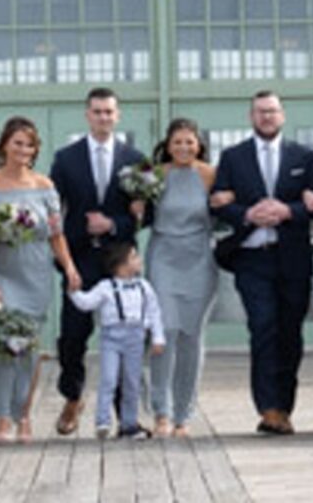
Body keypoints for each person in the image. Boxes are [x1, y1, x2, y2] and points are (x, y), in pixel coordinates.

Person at [211, 89, 313, 435]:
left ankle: (285, 406)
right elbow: (217, 204)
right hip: (251, 258)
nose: (267, 117)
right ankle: (268, 408)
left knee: (289, 333)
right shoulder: (233, 157)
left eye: (272, 111)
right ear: (251, 116)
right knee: (262, 327)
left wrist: (288, 211)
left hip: (292, 259)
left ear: (283, 115)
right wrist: (248, 214)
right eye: (260, 112)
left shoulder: (303, 157)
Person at [0, 116, 82, 442]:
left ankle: (23, 415)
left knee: (29, 349)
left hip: (35, 272)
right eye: (17, 142)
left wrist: (70, 268)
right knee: (5, 345)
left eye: (29, 144)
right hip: (3, 271)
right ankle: (2, 419)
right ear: (5, 144)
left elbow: (56, 234)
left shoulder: (45, 185)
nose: (23, 149)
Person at [49, 87, 143, 436]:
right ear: (87, 115)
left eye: (109, 112)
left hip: (119, 261)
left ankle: (125, 413)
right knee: (73, 334)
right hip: (79, 257)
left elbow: (144, 215)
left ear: (117, 115)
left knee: (124, 336)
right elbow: (52, 209)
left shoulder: (136, 159)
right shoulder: (66, 158)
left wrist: (116, 223)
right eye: (97, 111)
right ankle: (73, 396)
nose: (104, 117)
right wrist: (61, 255)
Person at [143, 118, 218, 439]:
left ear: (199, 144)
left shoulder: (210, 175)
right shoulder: (155, 176)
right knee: (164, 333)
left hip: (200, 257)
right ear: (167, 146)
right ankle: (161, 410)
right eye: (178, 142)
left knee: (191, 336)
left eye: (190, 142)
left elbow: (227, 210)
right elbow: (140, 213)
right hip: (164, 255)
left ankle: (184, 415)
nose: (184, 148)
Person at [67, 241, 166, 440]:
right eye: (134, 257)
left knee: (132, 381)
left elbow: (154, 312)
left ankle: (129, 423)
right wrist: (74, 292)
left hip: (135, 336)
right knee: (109, 379)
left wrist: (157, 336)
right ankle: (103, 420)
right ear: (121, 265)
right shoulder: (105, 287)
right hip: (111, 337)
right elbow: (87, 303)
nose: (139, 260)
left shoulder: (144, 287)